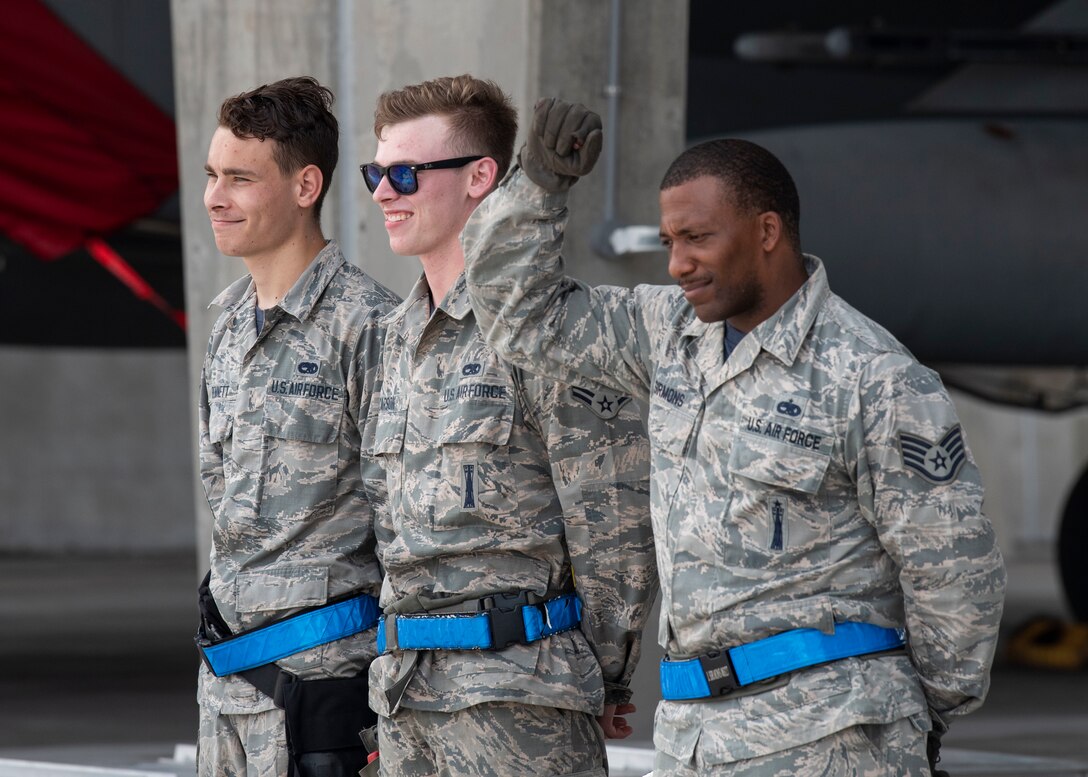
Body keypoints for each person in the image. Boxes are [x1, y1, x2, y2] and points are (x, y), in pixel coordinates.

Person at [463, 99, 1007, 776]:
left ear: (767, 231)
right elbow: (520, 318)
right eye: (669, 242)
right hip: (694, 734)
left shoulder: (873, 375)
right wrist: (538, 188)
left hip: (830, 738)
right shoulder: (669, 335)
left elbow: (952, 568)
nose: (677, 264)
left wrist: (916, 716)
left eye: (697, 238)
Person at [362, 75, 656, 777]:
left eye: (405, 174)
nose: (382, 193)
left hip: (519, 703)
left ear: (480, 177)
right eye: (376, 174)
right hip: (407, 703)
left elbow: (611, 523)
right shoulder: (393, 339)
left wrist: (606, 673)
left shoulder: (549, 334)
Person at [195, 76, 401, 777]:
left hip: (324, 694)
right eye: (212, 175)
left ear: (306, 185)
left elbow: (405, 524)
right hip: (226, 691)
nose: (214, 197)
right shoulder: (227, 324)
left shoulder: (372, 326)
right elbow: (222, 501)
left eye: (240, 179)